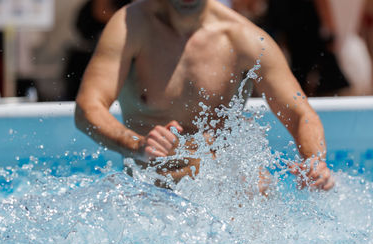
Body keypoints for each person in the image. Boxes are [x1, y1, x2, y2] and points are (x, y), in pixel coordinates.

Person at [75, 0, 334, 191]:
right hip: (153, 192)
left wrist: (315, 163)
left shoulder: (245, 39)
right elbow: (88, 108)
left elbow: (300, 113)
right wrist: (137, 145)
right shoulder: (130, 26)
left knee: (260, 185)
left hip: (226, 192)